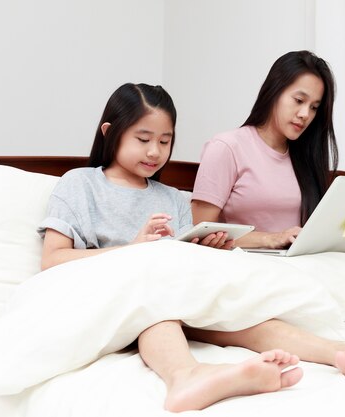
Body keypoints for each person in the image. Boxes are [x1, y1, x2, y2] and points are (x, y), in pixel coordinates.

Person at [37, 83, 303, 412]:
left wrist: (207, 248)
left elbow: (181, 261)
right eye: (143, 139)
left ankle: (338, 353)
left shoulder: (171, 197)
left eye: (165, 141)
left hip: (174, 298)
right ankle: (186, 377)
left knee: (245, 319)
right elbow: (52, 260)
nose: (155, 152)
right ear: (110, 133)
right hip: (126, 296)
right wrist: (135, 249)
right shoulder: (80, 183)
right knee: (156, 307)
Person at [189, 50, 345, 378]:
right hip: (247, 267)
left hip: (297, 266)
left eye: (314, 107)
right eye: (298, 100)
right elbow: (201, 233)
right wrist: (271, 238)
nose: (305, 114)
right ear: (274, 91)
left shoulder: (305, 159)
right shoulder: (228, 147)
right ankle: (336, 352)